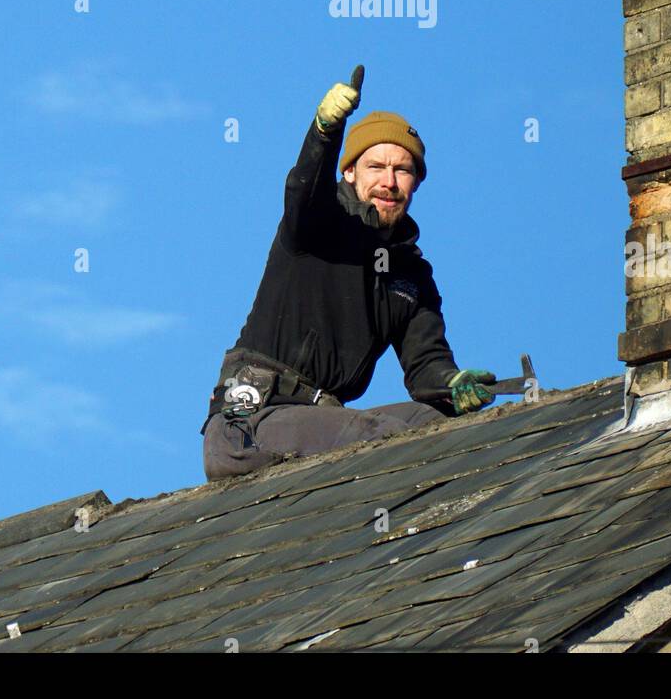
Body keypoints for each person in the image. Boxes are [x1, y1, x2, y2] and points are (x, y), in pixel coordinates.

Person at [201, 64, 496, 480]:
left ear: (416, 183)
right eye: (376, 167)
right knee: (384, 436)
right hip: (249, 427)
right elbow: (304, 190)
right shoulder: (318, 224)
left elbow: (426, 365)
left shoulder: (411, 277)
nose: (389, 182)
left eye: (403, 170)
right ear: (350, 172)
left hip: (321, 425)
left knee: (437, 429)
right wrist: (325, 132)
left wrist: (454, 384)